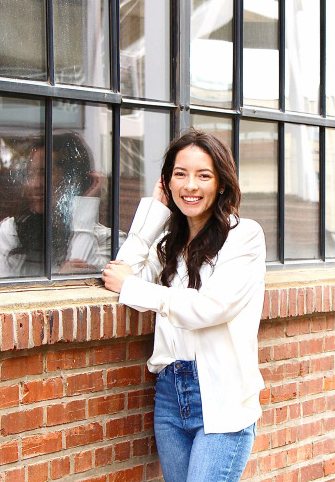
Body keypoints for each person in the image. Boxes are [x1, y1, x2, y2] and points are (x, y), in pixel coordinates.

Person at [102, 129, 266, 482]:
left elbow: (210, 307)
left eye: (203, 175)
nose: (190, 185)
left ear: (221, 183)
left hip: (222, 397)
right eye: (180, 174)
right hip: (169, 395)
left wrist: (135, 288)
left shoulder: (244, 236)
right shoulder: (168, 243)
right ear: (167, 181)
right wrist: (154, 212)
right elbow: (122, 273)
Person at [0, 132, 114, 278]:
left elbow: (81, 280)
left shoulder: (107, 240)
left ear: (73, 179)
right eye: (30, 174)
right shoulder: (13, 230)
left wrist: (85, 209)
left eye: (44, 174)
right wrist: (58, 276)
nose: (34, 184)